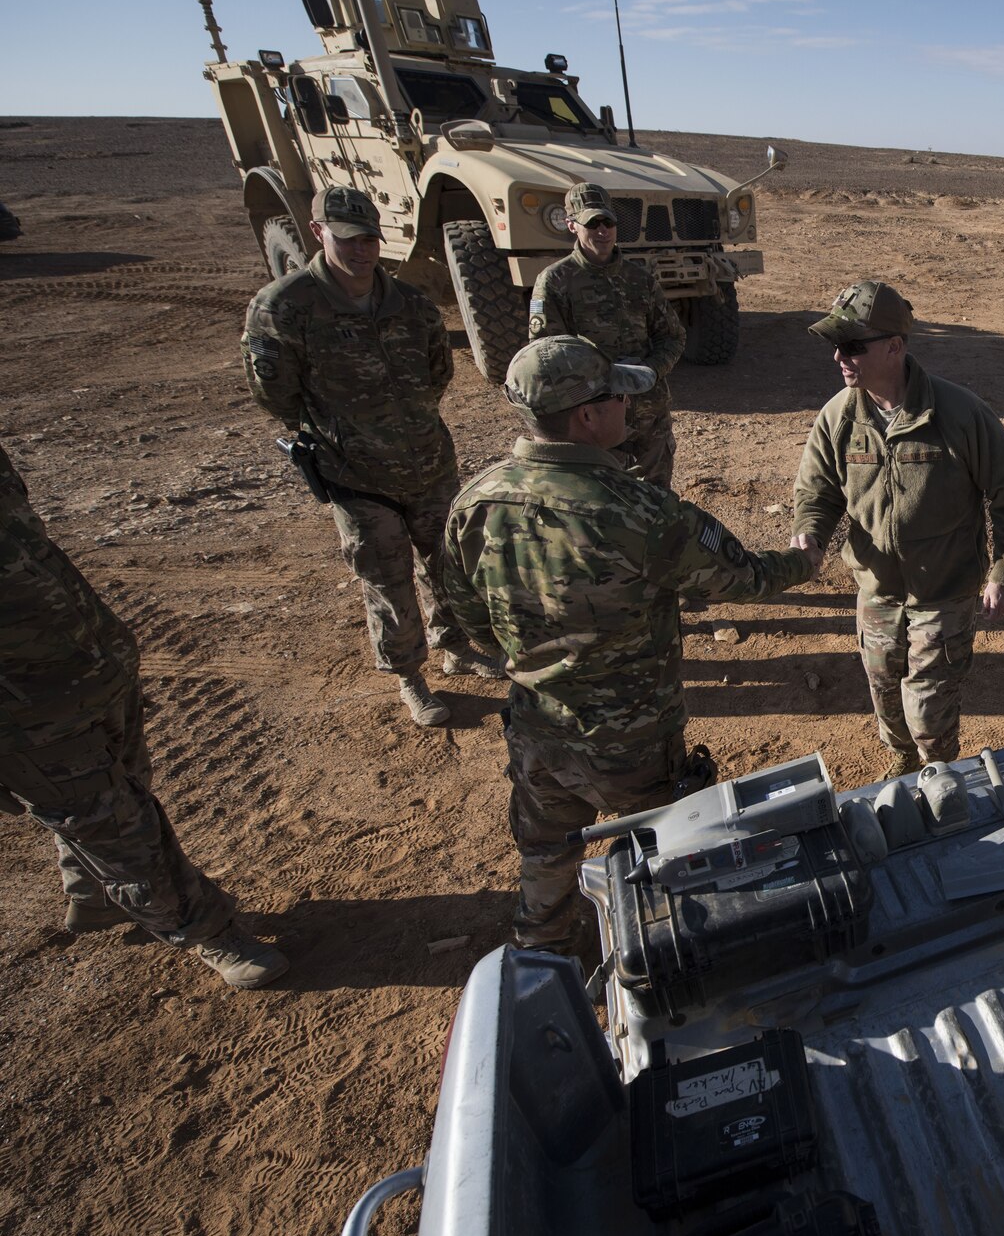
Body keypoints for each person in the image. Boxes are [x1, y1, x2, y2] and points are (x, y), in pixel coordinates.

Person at [437, 337, 820, 950]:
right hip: (633, 743)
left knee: (546, 853)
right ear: (587, 416)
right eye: (618, 396)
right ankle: (664, 958)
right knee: (672, 848)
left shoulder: (474, 504)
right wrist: (805, 559)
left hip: (538, 729)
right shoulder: (642, 511)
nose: (630, 407)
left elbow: (471, 620)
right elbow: (744, 577)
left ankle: (542, 955)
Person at [0, 442, 287, 989]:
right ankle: (209, 932)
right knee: (120, 830)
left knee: (123, 791)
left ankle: (92, 896)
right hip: (25, 717)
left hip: (93, 663)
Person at [240, 185, 497, 729]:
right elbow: (275, 393)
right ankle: (411, 676)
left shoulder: (408, 302)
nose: (361, 250)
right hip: (354, 475)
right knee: (388, 577)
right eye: (348, 238)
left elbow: (437, 372)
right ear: (318, 233)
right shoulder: (285, 306)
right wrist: (340, 431)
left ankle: (457, 646)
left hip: (428, 461)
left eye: (369, 239)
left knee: (450, 565)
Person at [790, 280, 1004, 778]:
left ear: (894, 347)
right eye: (836, 345)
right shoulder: (838, 417)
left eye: (853, 346)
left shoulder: (959, 413)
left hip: (943, 592)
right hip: (876, 592)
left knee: (929, 708)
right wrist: (810, 531)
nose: (840, 356)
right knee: (885, 696)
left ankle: (938, 775)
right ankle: (902, 766)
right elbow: (819, 490)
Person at [527, 182, 686, 487]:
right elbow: (546, 357)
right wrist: (600, 381)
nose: (603, 231)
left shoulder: (638, 279)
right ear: (571, 225)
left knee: (657, 502)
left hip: (649, 418)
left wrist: (649, 372)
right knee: (605, 507)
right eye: (592, 223)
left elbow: (673, 337)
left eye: (608, 222)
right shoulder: (555, 282)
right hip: (594, 425)